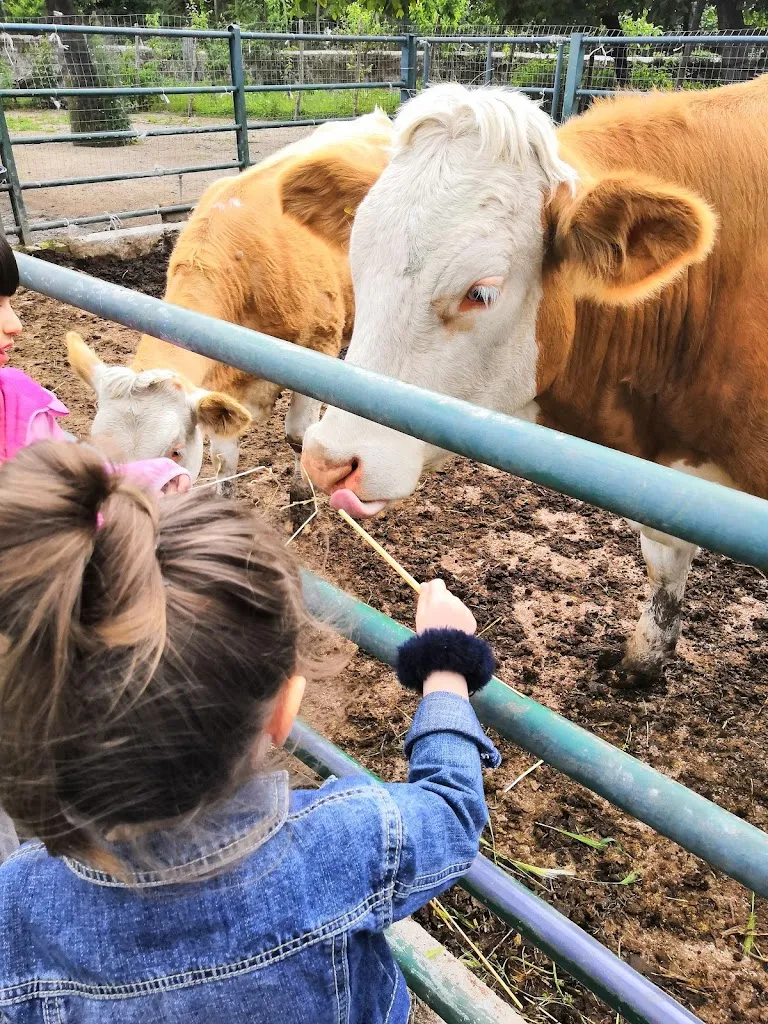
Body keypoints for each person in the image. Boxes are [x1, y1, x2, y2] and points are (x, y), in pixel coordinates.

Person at [0, 441, 500, 1024]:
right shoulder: (352, 842)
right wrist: (446, 663)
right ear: (285, 710)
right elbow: (452, 806)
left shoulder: (17, 907)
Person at [0, 232, 189, 493]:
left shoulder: (22, 406)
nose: (16, 325)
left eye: (10, 303)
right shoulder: (20, 408)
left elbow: (72, 478)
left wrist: (151, 475)